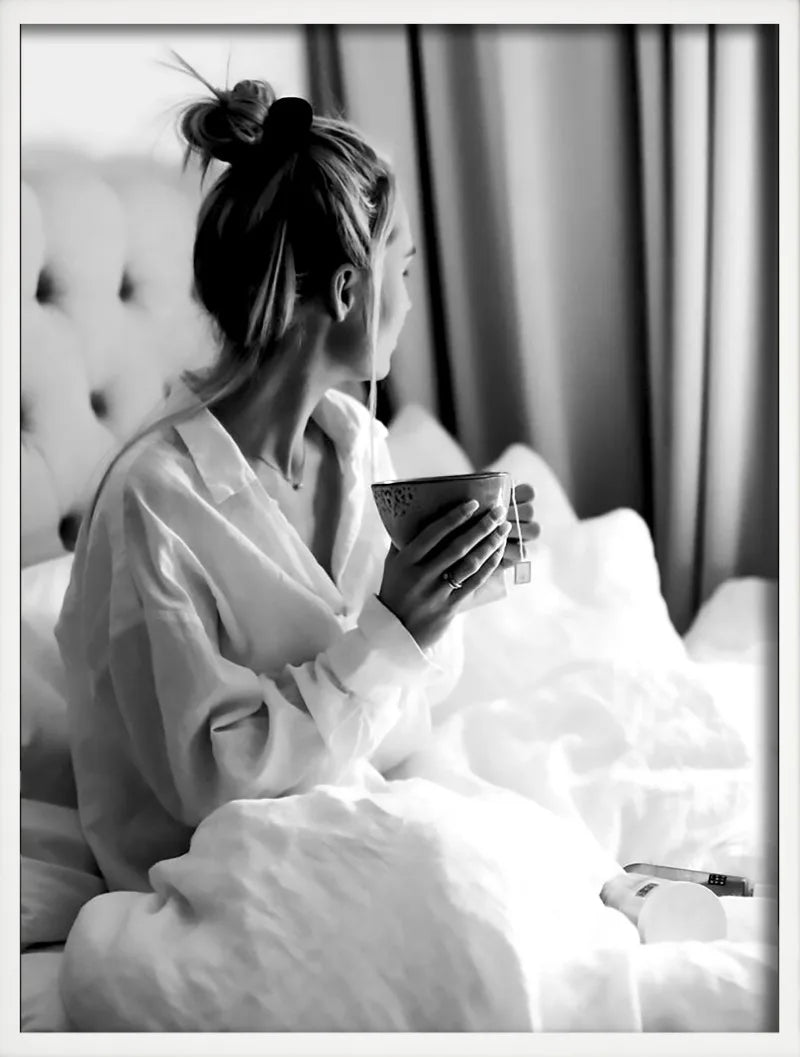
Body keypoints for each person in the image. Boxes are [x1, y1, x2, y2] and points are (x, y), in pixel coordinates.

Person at [55, 68, 539, 894]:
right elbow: (213, 783)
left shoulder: (357, 442)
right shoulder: (157, 503)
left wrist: (450, 584)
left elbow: (402, 711)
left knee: (530, 870)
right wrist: (388, 632)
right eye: (404, 271)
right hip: (225, 872)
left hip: (360, 808)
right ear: (349, 291)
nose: (409, 302)